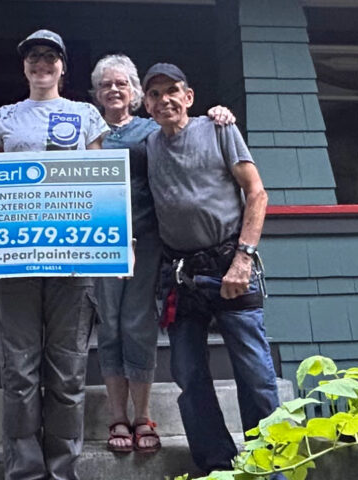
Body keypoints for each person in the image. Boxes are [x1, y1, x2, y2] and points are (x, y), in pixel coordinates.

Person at [142, 62, 282, 476]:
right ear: (146, 104)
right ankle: (216, 464)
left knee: (255, 373)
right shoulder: (148, 144)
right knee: (188, 375)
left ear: (188, 96)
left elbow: (256, 193)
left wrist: (243, 259)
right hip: (180, 276)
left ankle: (268, 465)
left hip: (229, 266)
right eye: (154, 94)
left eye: (173, 91)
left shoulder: (220, 129)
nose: (164, 99)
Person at [90, 54, 234, 455]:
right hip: (99, 241)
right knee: (110, 325)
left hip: (147, 239)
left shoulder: (150, 128)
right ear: (96, 94)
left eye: (121, 84)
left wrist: (217, 113)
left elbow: (186, 132)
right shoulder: (86, 128)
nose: (114, 90)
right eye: (105, 85)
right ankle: (116, 415)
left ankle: (142, 416)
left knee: (138, 323)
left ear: (136, 93)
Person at [0, 29, 108, 480]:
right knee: (18, 370)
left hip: (73, 257)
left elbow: (98, 180)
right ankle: (24, 472)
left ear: (63, 66)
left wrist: (107, 241)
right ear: (24, 67)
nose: (41, 64)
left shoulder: (86, 114)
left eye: (50, 57)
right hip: (14, 259)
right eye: (34, 57)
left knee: (69, 371)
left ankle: (62, 470)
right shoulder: (4, 117)